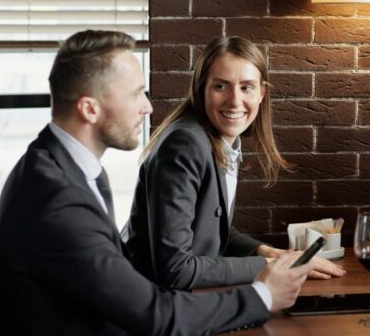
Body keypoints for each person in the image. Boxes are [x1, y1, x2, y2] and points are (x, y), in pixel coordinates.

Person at [0, 30, 313, 335]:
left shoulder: (63, 167)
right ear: (90, 108)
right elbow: (155, 315)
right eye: (135, 94)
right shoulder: (59, 200)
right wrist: (263, 295)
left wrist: (265, 259)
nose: (147, 107)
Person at [120, 36, 344, 290]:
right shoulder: (186, 144)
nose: (235, 101)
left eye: (246, 87)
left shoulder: (219, 139)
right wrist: (271, 267)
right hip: (150, 306)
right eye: (221, 86)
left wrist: (270, 253)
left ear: (262, 93)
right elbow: (175, 270)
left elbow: (210, 228)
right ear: (200, 89)